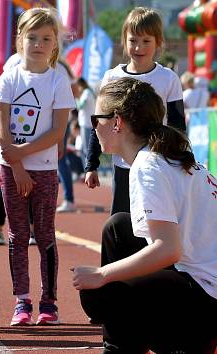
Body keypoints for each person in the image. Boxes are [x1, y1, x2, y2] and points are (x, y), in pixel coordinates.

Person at [73, 77, 217, 353]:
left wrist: (102, 274)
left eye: (96, 119)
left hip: (206, 299)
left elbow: (169, 250)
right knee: (118, 228)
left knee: (100, 293)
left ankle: (184, 344)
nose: (93, 127)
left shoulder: (147, 166)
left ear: (116, 122)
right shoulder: (166, 155)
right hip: (203, 284)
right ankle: (128, 343)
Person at [0, 7, 75, 326]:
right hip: (12, 170)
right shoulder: (9, 77)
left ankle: (49, 302)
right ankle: (22, 301)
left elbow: (57, 133)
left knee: (43, 234)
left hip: (43, 169)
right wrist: (16, 165)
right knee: (17, 234)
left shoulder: (58, 80)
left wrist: (22, 155)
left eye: (46, 38)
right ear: (19, 40)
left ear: (54, 44)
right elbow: (1, 125)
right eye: (32, 37)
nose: (38, 44)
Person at [84, 7, 186, 215]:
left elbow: (177, 125)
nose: (138, 47)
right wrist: (91, 165)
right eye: (133, 40)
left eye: (146, 41)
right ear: (124, 41)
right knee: (122, 222)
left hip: (158, 165)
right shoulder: (111, 77)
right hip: (123, 168)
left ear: (158, 43)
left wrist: (179, 161)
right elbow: (99, 124)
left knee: (154, 221)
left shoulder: (168, 79)